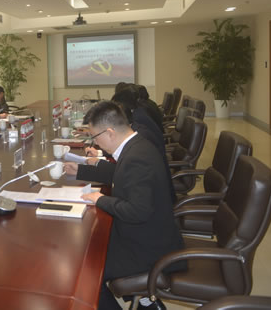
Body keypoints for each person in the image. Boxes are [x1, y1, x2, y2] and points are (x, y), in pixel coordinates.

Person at [64, 101, 183, 310]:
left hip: (147, 248)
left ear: (110, 132)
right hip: (146, 234)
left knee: (85, 272)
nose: (95, 143)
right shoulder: (137, 146)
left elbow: (137, 211)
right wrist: (81, 171)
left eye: (95, 137)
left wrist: (100, 199)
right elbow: (121, 174)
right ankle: (147, 302)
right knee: (91, 245)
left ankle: (144, 300)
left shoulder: (137, 158)